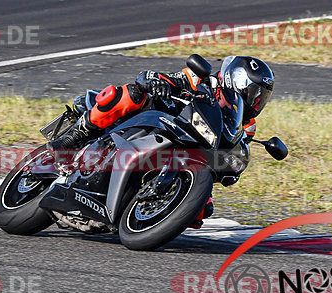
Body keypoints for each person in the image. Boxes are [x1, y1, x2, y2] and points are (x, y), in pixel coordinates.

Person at [46, 55, 274, 227]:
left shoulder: (245, 126)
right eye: (253, 92)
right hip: (151, 121)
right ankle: (74, 138)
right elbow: (150, 77)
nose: (256, 101)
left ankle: (133, 208)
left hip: (189, 153)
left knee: (201, 212)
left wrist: (232, 167)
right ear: (235, 79)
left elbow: (233, 153)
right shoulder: (202, 81)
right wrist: (157, 82)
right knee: (132, 94)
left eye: (261, 97)